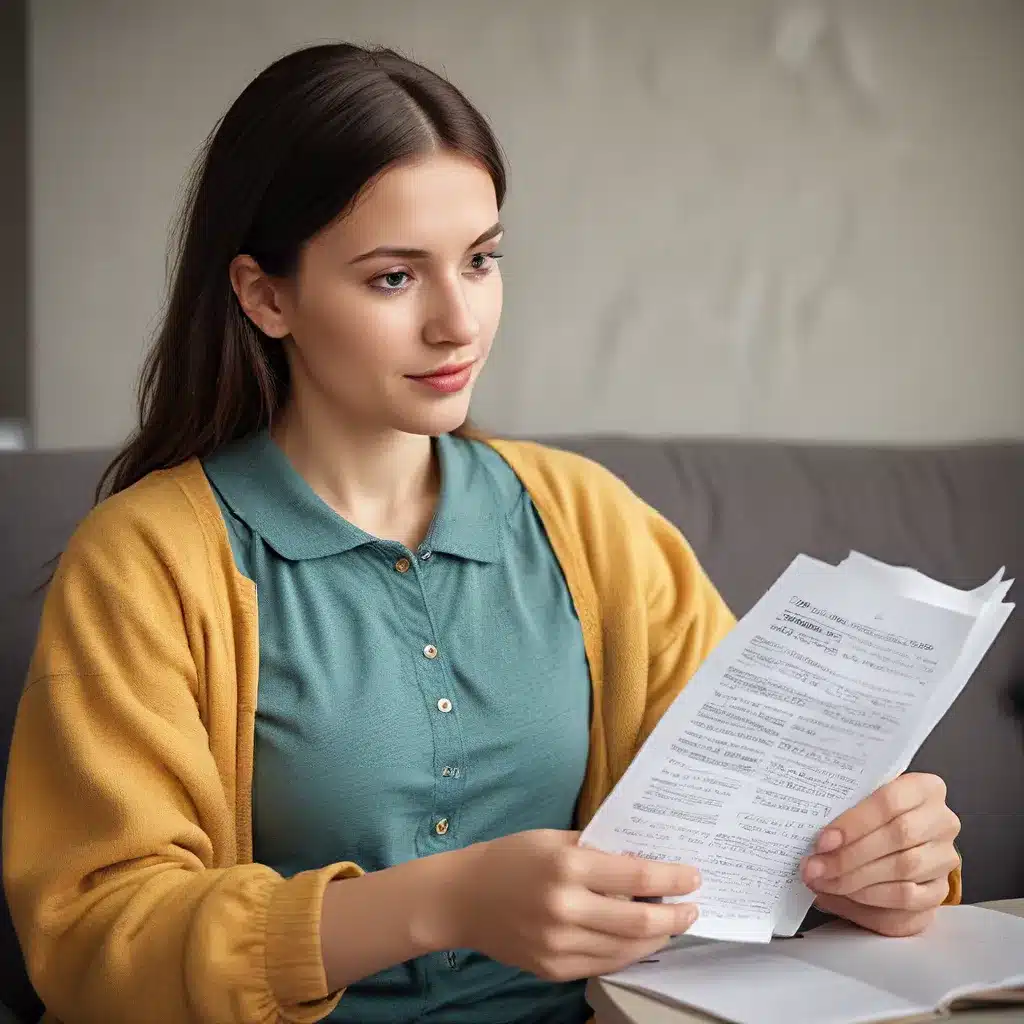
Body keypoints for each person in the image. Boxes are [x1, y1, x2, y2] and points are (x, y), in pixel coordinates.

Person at [3, 42, 963, 1024]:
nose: (458, 323)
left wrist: (868, 867)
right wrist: (440, 902)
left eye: (481, 260)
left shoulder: (594, 523)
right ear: (267, 296)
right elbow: (92, 938)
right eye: (392, 278)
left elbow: (752, 827)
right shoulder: (145, 561)